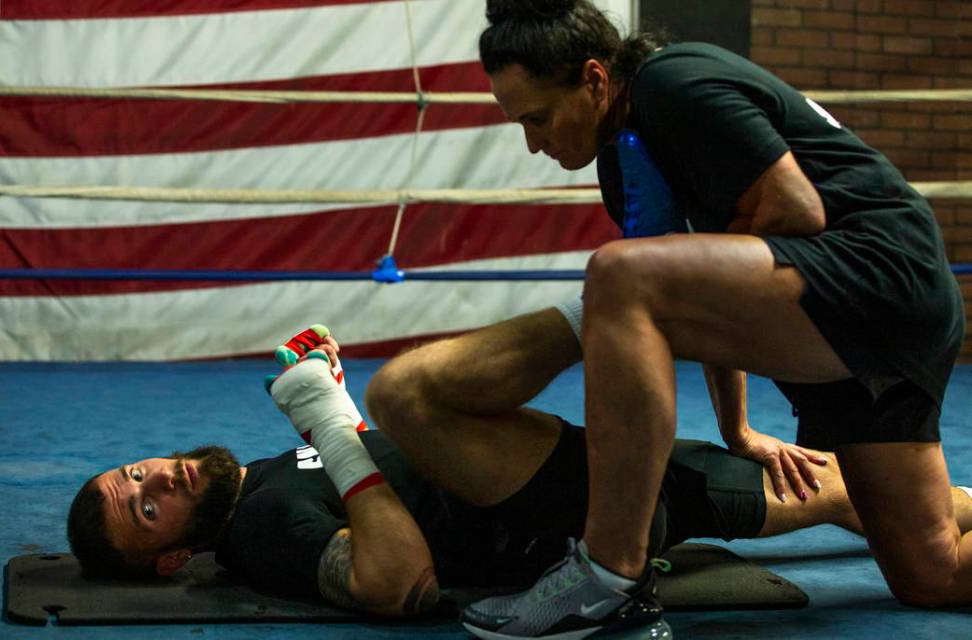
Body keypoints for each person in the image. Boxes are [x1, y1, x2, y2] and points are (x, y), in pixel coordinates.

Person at [389, 0, 967, 637]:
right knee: (929, 573)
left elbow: (795, 211)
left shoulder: (676, 82)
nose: (534, 143)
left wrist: (693, 285)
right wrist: (737, 429)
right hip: (863, 327)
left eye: (540, 118)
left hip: (879, 275)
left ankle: (608, 575)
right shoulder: (626, 162)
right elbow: (699, 297)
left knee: (618, 274)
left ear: (594, 79)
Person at [67, 315, 972, 625]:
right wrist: (334, 420)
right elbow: (399, 581)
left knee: (871, 504)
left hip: (573, 469)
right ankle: (619, 307)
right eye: (143, 510)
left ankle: (620, 308)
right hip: (564, 508)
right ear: (173, 562)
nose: (158, 480)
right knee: (406, 396)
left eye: (135, 473)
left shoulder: (263, 477)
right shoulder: (260, 532)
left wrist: (328, 421)